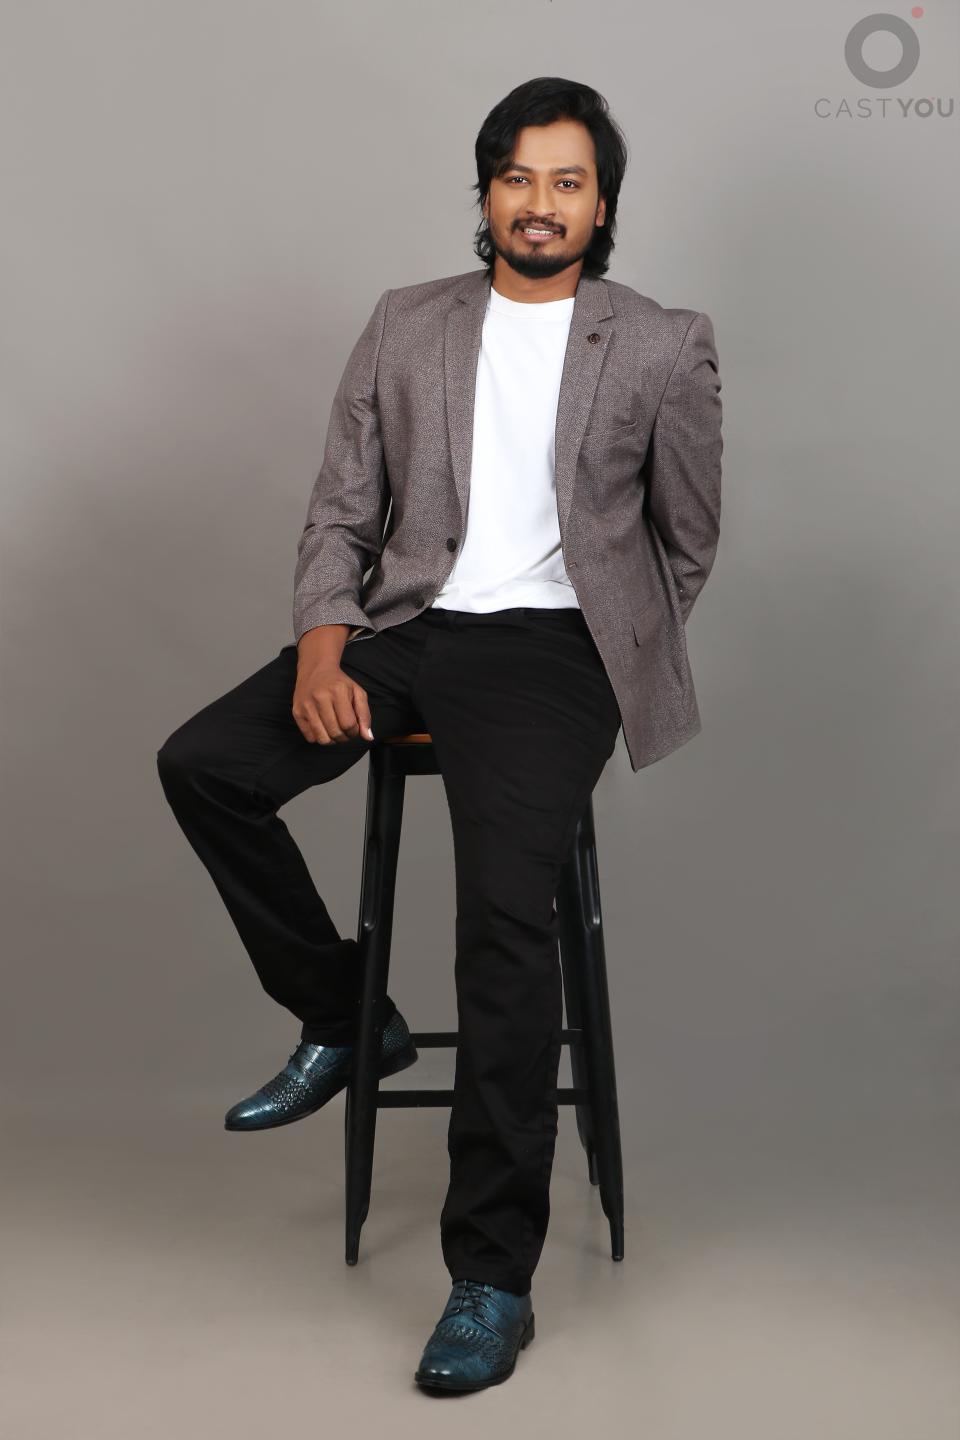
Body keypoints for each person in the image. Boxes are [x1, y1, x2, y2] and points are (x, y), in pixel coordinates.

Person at [156, 74, 722, 1394]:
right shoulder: (408, 322)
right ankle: (345, 1015)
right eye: (519, 177)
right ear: (486, 192)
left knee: (503, 922)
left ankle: (490, 1279)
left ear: (603, 204)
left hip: (554, 653)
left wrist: (611, 651)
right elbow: (341, 506)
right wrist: (324, 638)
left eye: (568, 181)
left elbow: (686, 540)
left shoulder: (660, 342)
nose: (541, 203)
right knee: (207, 767)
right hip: (407, 627)